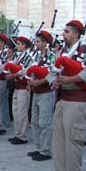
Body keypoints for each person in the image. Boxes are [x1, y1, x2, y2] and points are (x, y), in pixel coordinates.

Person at [45, 20, 86, 171]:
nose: (63, 34)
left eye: (66, 32)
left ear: (75, 33)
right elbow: (52, 71)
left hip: (77, 99)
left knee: (74, 139)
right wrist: (54, 82)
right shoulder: (63, 51)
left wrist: (68, 79)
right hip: (62, 98)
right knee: (58, 137)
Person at [27, 30, 55, 161]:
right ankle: (38, 147)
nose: (36, 43)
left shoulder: (52, 56)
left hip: (46, 92)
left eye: (38, 41)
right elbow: (32, 70)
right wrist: (30, 83)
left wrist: (38, 82)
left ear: (45, 42)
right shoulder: (36, 55)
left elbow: (51, 74)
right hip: (36, 91)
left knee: (45, 122)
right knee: (34, 121)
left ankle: (46, 150)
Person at [5, 36, 32, 145]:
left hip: (23, 86)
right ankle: (17, 133)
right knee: (15, 111)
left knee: (21, 112)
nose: (18, 45)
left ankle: (22, 135)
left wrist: (13, 74)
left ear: (25, 45)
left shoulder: (28, 56)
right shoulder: (17, 55)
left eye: (20, 44)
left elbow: (25, 71)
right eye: (18, 43)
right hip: (16, 85)